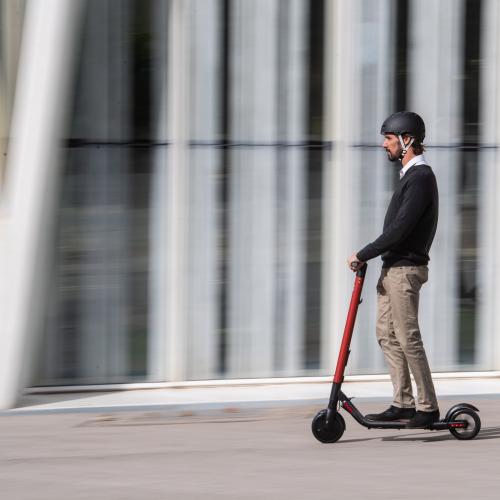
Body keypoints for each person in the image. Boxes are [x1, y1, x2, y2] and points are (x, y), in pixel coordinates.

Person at [348, 111, 440, 428]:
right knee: (387, 334)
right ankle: (403, 402)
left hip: (405, 269)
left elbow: (400, 230)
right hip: (392, 268)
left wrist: (364, 253)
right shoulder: (408, 177)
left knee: (407, 336)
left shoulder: (421, 178)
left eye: (389, 138)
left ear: (407, 140)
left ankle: (427, 407)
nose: (384, 145)